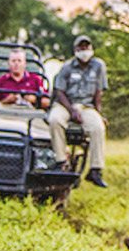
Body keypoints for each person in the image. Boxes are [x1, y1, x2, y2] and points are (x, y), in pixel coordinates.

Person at [47, 34, 109, 187]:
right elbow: (59, 91)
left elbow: (98, 92)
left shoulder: (98, 66)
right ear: (75, 50)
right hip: (66, 103)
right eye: (81, 48)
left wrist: (99, 113)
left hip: (86, 105)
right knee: (55, 120)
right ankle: (61, 161)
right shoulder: (67, 67)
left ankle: (95, 170)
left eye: (87, 47)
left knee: (98, 127)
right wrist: (71, 110)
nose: (84, 51)